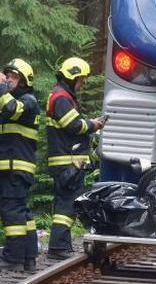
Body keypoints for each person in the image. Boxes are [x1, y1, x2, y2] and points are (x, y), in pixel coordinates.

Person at [46, 57, 106, 259]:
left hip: (67, 162)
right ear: (73, 78)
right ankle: (57, 248)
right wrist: (93, 125)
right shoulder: (62, 97)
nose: (83, 84)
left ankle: (60, 245)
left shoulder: (61, 95)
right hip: (67, 162)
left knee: (67, 204)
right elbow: (74, 125)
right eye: (81, 79)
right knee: (67, 205)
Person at [0, 59, 40, 270]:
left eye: (14, 77)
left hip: (16, 168)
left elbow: (12, 108)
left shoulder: (28, 101)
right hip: (12, 167)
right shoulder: (11, 102)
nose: (9, 80)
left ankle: (12, 259)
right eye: (7, 76)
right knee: (22, 213)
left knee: (12, 212)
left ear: (25, 81)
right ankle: (28, 257)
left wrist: (0, 88)